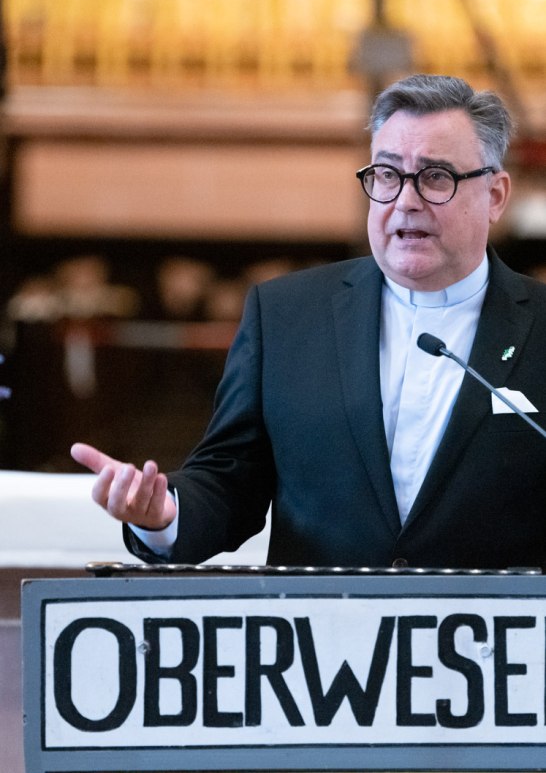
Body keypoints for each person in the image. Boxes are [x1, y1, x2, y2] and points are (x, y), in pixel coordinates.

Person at [72, 73, 546, 570]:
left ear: (495, 195)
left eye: (436, 177)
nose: (406, 201)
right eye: (387, 175)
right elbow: (230, 479)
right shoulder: (287, 317)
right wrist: (165, 515)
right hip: (319, 618)